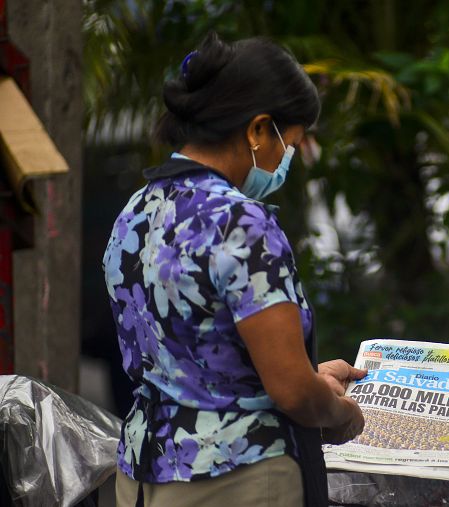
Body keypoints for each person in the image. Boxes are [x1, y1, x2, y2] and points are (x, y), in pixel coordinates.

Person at [103, 32, 365, 507]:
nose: (287, 162)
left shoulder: (135, 212)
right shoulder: (241, 222)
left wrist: (312, 375)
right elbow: (292, 392)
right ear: (258, 130)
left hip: (143, 478)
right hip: (237, 480)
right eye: (290, 145)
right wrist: (339, 411)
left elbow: (192, 361)